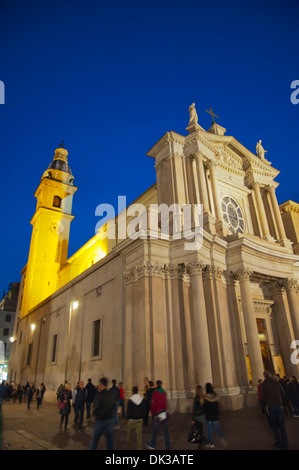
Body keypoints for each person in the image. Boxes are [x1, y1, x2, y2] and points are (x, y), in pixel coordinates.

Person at [261, 371, 289, 450]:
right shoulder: (277, 383)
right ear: (270, 376)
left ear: (264, 376)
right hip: (279, 406)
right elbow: (282, 394)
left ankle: (279, 443)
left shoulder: (264, 385)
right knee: (282, 426)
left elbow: (263, 397)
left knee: (274, 426)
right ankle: (286, 444)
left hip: (271, 406)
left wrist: (267, 401)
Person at [90, 377, 117, 450]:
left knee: (95, 439)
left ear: (101, 384)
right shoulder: (111, 394)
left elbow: (96, 405)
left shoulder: (99, 394)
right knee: (110, 439)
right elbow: (114, 404)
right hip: (110, 418)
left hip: (100, 419)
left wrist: (94, 412)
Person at [146, 380, 170, 450]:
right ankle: (167, 446)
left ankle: (152, 444)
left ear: (156, 385)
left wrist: (152, 412)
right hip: (163, 412)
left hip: (157, 413)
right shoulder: (164, 392)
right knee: (165, 431)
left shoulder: (155, 393)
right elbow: (165, 403)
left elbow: (154, 404)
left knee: (155, 430)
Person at [203, 383, 226, 449]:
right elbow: (217, 407)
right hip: (215, 417)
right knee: (216, 429)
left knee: (209, 431)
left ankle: (211, 443)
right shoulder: (215, 396)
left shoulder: (206, 398)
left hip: (208, 417)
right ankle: (222, 438)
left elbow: (204, 408)